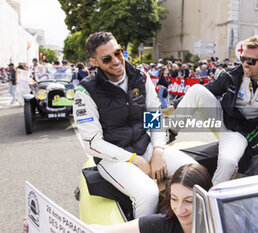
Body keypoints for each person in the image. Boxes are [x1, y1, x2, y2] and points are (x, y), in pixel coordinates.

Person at [73, 32, 197, 218]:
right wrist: (134, 159)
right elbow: (93, 143)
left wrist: (157, 150)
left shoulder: (140, 76)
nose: (116, 61)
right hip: (113, 159)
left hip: (144, 146)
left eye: (118, 53)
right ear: (94, 62)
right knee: (148, 194)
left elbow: (154, 115)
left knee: (194, 174)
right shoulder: (85, 91)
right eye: (107, 58)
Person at [166, 35, 258, 185]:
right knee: (197, 89)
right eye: (243, 58)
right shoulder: (233, 73)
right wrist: (173, 106)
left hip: (240, 134)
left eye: (250, 61)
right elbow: (208, 90)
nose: (245, 64)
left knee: (228, 163)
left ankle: (211, 200)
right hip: (222, 119)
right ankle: (169, 134)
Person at [91, 164, 212, 233]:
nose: (179, 210)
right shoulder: (163, 224)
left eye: (188, 201)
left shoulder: (223, 223)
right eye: (174, 199)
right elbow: (102, 230)